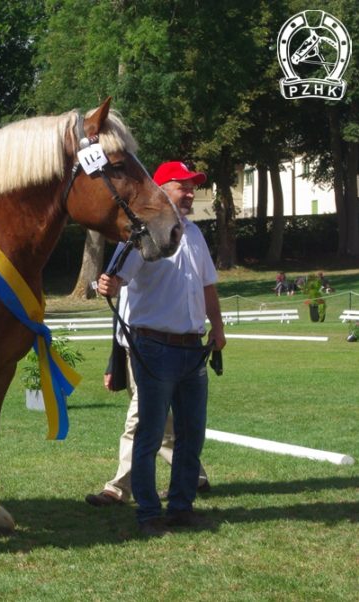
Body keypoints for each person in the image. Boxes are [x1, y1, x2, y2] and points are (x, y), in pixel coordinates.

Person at [96, 161, 226, 537]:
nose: (189, 193)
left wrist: (217, 328)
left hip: (192, 348)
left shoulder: (197, 235)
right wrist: (110, 285)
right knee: (149, 435)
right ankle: (148, 513)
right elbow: (118, 280)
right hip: (153, 347)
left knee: (191, 435)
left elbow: (207, 287)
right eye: (181, 186)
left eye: (191, 187)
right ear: (160, 188)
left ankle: (181, 508)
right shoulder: (140, 236)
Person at [85, 285, 210, 509]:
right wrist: (114, 362)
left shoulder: (148, 260)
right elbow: (122, 314)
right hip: (129, 350)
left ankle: (118, 488)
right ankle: (195, 476)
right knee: (159, 421)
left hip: (152, 351)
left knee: (139, 421)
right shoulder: (126, 261)